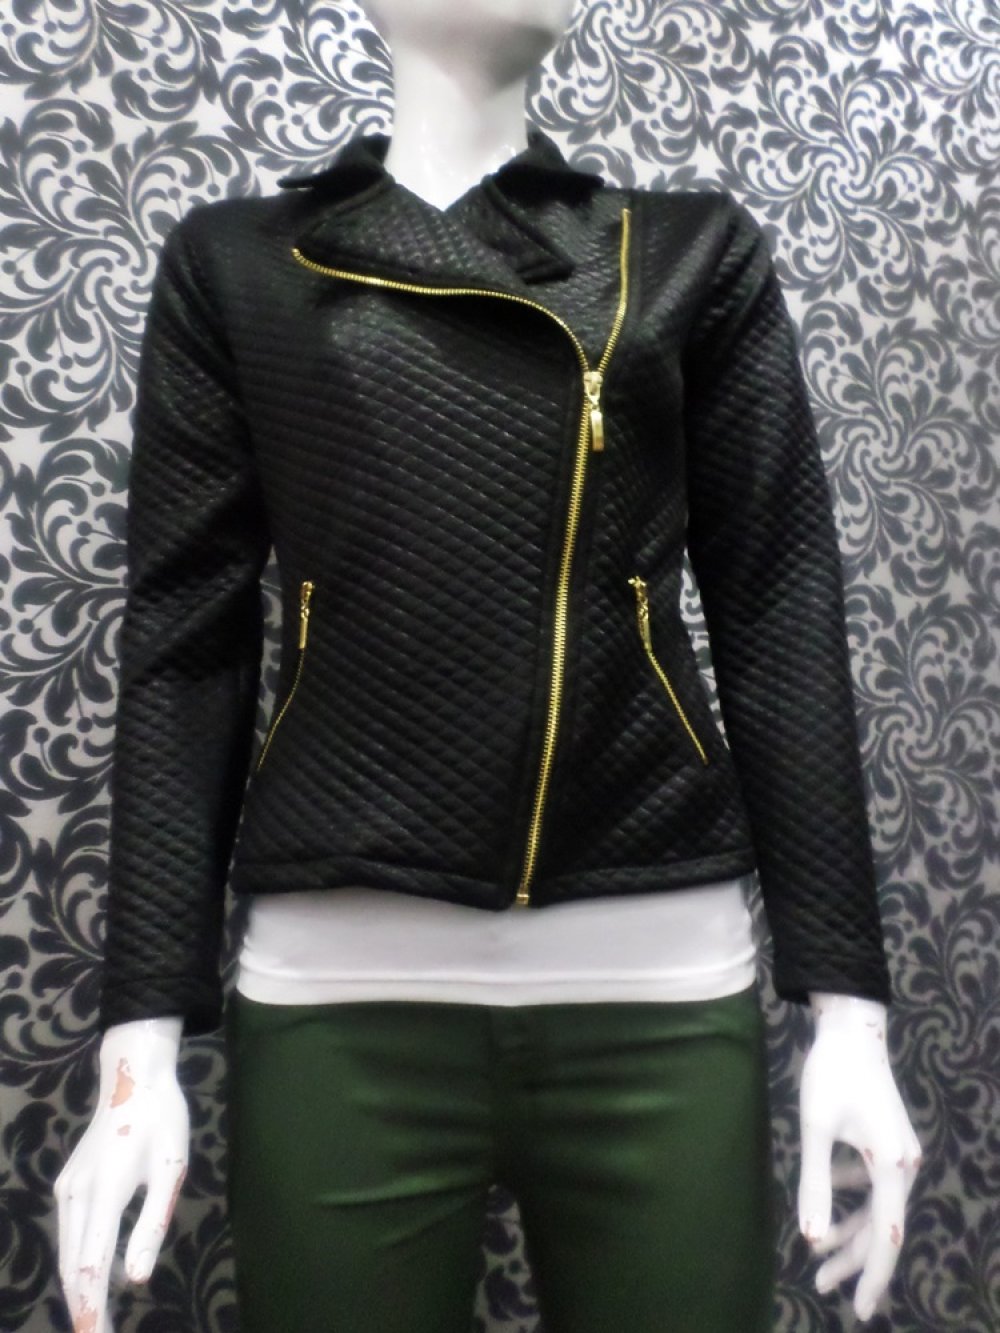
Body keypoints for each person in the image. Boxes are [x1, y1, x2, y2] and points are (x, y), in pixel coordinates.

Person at [55, 1, 922, 1330]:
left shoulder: (688, 251)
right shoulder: (240, 263)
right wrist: (138, 1041)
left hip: (657, 977)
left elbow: (778, 609)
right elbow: (186, 647)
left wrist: (848, 1013)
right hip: (340, 990)